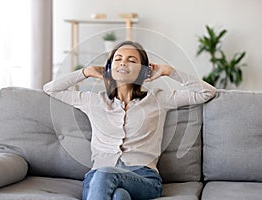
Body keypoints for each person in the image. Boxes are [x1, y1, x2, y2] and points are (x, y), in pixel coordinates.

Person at [43, 41, 216, 200]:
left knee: (105, 174)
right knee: (119, 196)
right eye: (118, 59)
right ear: (110, 68)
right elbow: (51, 89)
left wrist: (168, 71)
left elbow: (206, 92)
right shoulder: (93, 101)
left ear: (143, 70)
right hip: (96, 180)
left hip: (144, 179)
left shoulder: (158, 99)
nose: (123, 62)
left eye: (131, 60)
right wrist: (85, 72)